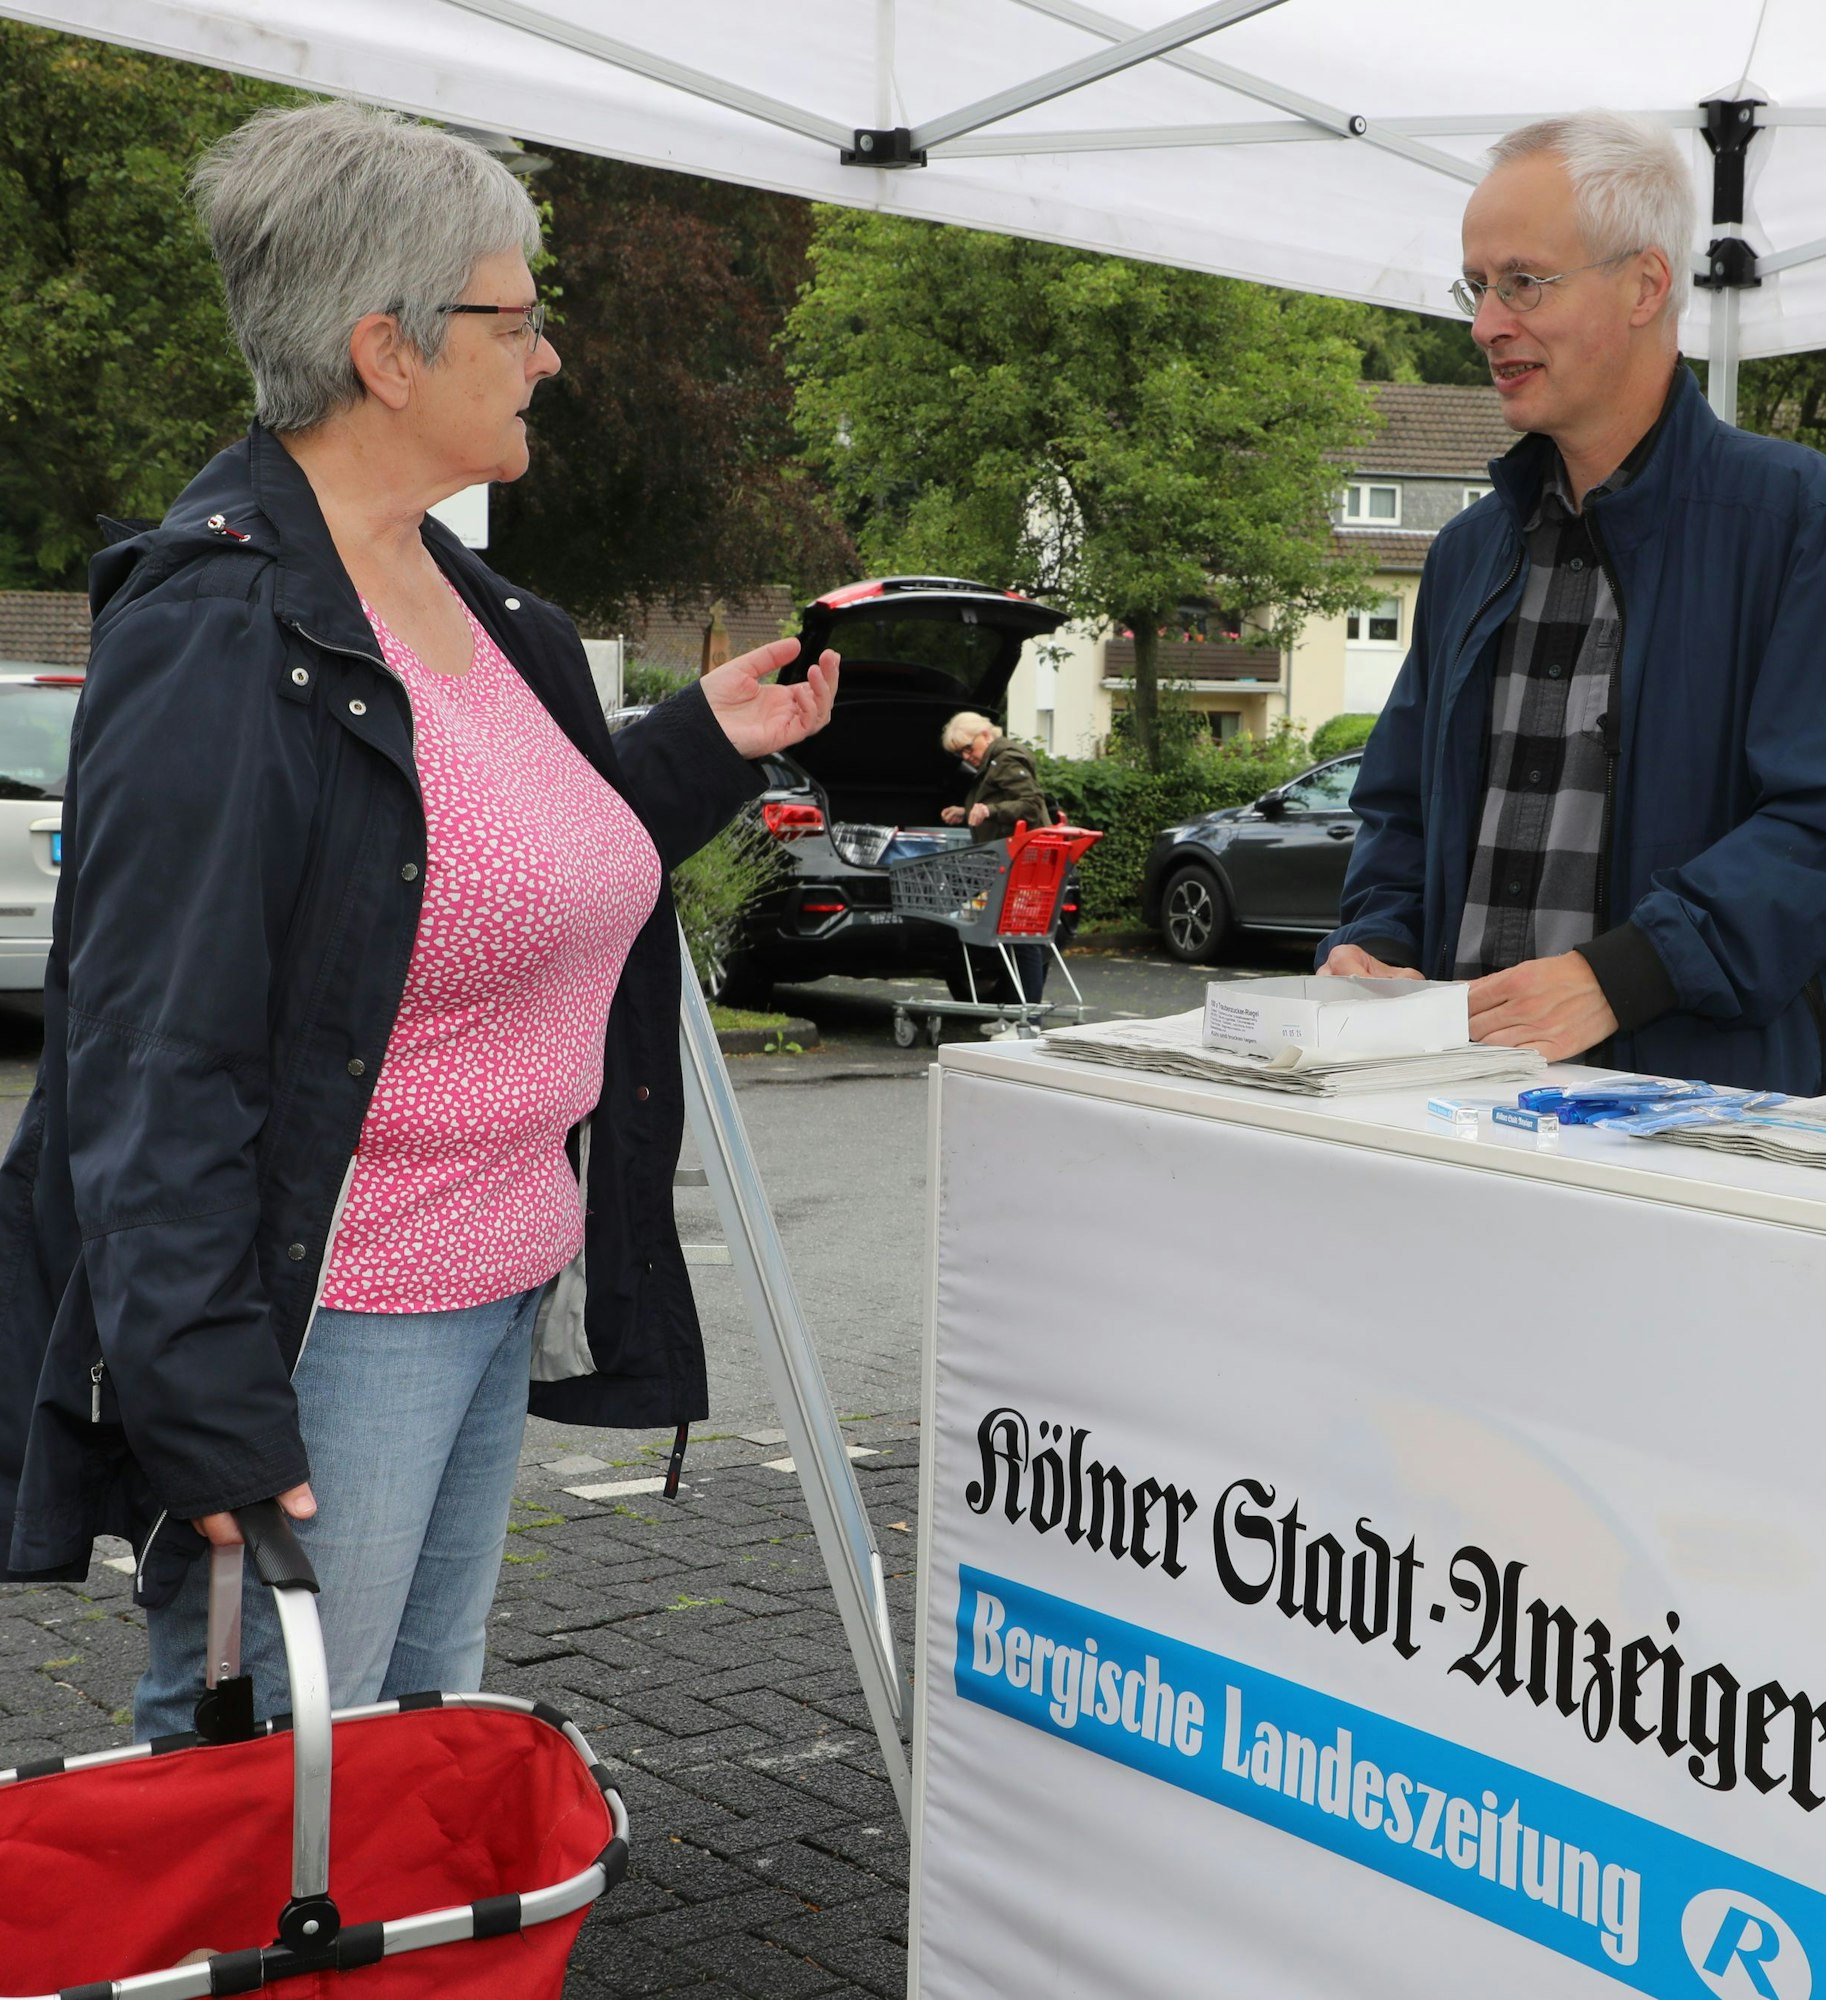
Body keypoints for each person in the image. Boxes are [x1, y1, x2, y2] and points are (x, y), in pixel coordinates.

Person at [0, 102, 839, 1740]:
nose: (543, 358)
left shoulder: (482, 604)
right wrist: (206, 1409)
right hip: (340, 1315)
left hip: (494, 1279)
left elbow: (492, 871)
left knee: (405, 1742)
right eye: (513, 319)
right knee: (279, 1777)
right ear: (385, 349)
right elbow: (150, 1064)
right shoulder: (227, 632)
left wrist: (698, 748)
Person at [1318, 110, 1826, 1096]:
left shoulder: (1795, 518)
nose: (1483, 324)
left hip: (1697, 1127)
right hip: (1454, 1109)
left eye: (1522, 281)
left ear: (1643, 285)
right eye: (1476, 286)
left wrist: (1623, 975)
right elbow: (1396, 809)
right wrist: (1374, 939)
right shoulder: (1469, 552)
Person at [939, 711, 1052, 1003]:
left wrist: (989, 811)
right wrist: (966, 813)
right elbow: (1006, 802)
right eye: (960, 753)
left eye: (968, 747)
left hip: (1024, 861)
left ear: (986, 735)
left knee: (1022, 938)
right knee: (1019, 937)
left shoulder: (1006, 759)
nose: (967, 756)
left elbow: (1030, 804)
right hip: (1019, 860)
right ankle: (1018, 1015)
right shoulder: (994, 761)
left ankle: (1027, 1018)